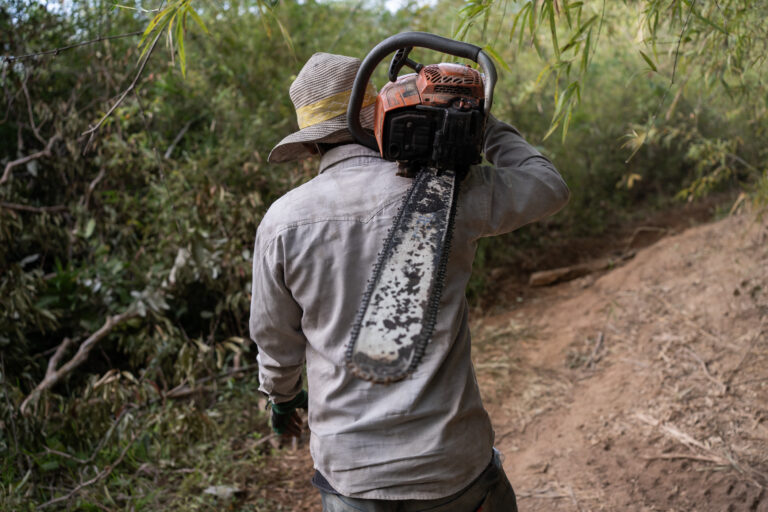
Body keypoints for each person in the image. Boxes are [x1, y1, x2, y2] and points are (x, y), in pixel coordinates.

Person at [249, 51, 569, 512]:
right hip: (452, 465)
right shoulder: (449, 188)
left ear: (311, 143)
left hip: (351, 476)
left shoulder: (282, 222)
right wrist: (484, 123)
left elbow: (276, 345)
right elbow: (548, 186)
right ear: (383, 107)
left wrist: (281, 402)